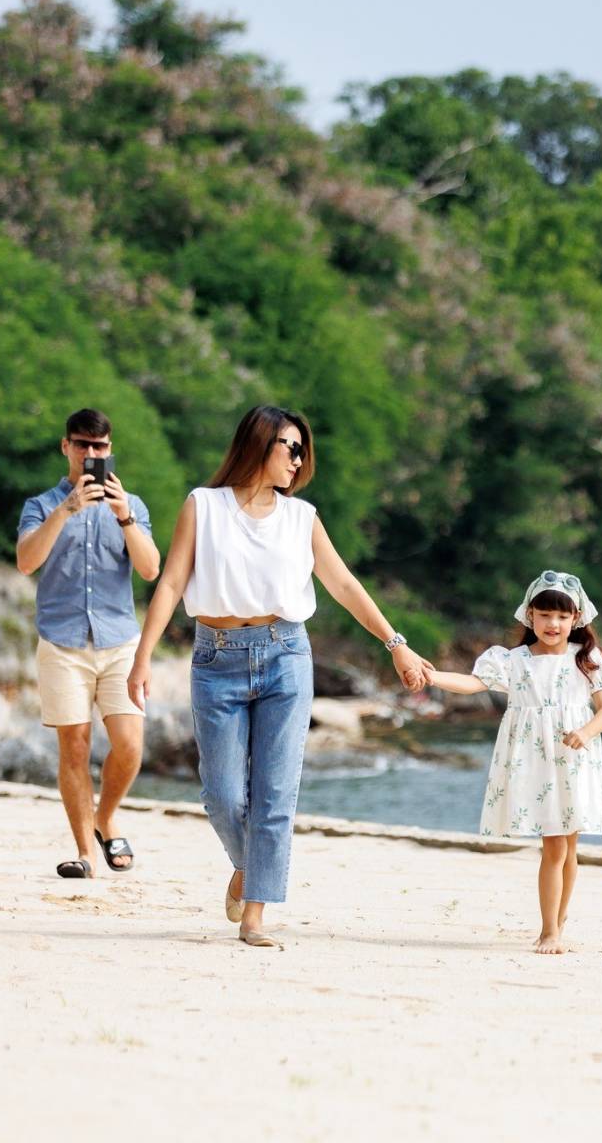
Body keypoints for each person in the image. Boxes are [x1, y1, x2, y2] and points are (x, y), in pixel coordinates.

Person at [127, 405, 432, 949]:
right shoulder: (204, 506)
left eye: (302, 451)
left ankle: (255, 915)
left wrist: (396, 645)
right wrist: (142, 657)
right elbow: (170, 584)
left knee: (275, 795)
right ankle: (249, 868)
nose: (298, 460)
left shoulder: (301, 518)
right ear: (259, 444)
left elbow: (343, 585)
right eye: (290, 448)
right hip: (216, 658)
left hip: (285, 656)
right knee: (222, 795)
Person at [424, 571, 602, 954]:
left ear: (576, 618)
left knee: (569, 846)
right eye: (544, 615)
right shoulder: (513, 661)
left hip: (574, 758)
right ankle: (549, 931)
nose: (553, 623)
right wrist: (433, 677)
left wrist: (586, 732)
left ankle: (558, 922)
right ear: (530, 615)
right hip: (535, 759)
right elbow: (473, 683)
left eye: (562, 616)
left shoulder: (586, 658)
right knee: (555, 846)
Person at [16, 407, 160, 879]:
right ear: (66, 447)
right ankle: (85, 853)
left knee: (130, 745)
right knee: (74, 748)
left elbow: (150, 569)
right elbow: (26, 561)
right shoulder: (41, 505)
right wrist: (67, 509)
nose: (90, 454)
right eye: (82, 445)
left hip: (119, 642)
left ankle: (106, 817)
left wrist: (124, 517)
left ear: (110, 449)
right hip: (62, 642)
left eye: (99, 446)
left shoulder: (131, 505)